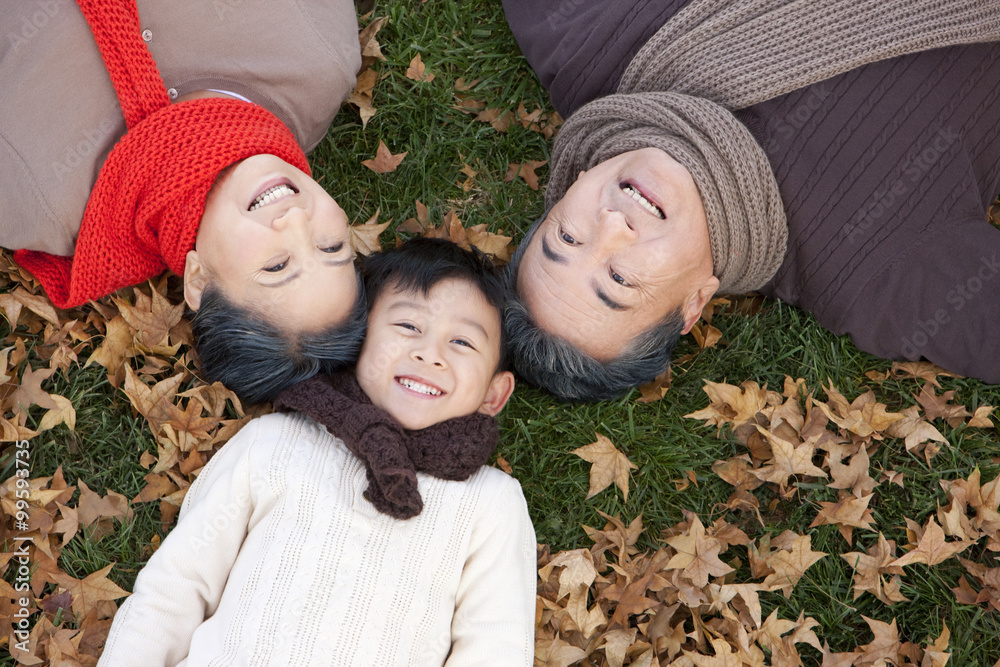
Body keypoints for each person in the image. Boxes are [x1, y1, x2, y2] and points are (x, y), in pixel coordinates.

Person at [501, 0, 1000, 401]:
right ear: (693, 303)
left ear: (570, 184)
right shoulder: (874, 270)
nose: (612, 225)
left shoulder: (579, 37)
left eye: (567, 236)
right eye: (619, 279)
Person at [96, 238, 536, 666]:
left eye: (462, 343)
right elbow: (175, 586)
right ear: (358, 341)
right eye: (408, 326)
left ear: (494, 395)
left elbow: (494, 647)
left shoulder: (490, 504)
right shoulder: (274, 442)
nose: (429, 353)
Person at [0, 0, 367, 403]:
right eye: (332, 247)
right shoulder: (319, 50)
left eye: (277, 266)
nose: (297, 221)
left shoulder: (34, 197)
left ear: (198, 280)